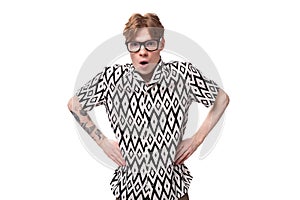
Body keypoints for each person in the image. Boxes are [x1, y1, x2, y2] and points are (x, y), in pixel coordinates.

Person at [68, 13, 229, 200]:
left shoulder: (182, 74)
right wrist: (102, 142)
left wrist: (197, 139)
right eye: (135, 45)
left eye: (150, 44)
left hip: (172, 189)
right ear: (128, 47)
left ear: (161, 44)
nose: (142, 52)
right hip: (130, 189)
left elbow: (221, 99)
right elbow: (75, 104)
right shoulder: (111, 78)